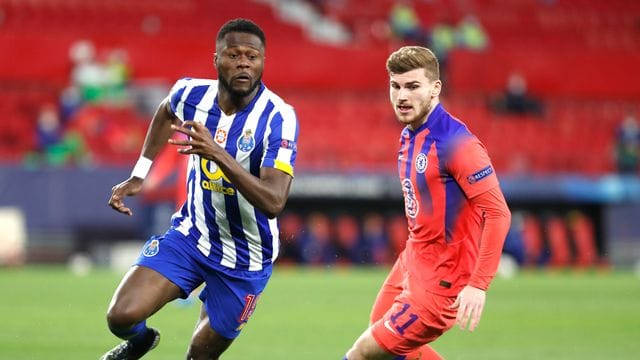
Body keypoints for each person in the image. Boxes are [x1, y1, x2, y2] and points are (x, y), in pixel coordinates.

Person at [101, 18, 299, 359]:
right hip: (191, 237)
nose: (243, 63)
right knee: (120, 317)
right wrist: (140, 173)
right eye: (233, 55)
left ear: (263, 61)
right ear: (216, 59)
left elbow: (274, 201)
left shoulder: (278, 117)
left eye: (252, 56)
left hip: (245, 260)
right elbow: (166, 110)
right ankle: (140, 341)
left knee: (199, 356)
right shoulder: (191, 94)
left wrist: (218, 155)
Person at [344, 46, 511, 360]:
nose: (402, 96)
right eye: (395, 86)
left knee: (363, 354)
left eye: (412, 86)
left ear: (435, 88)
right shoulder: (409, 134)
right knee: (386, 343)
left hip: (443, 280)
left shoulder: (458, 144)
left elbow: (499, 213)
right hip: (413, 259)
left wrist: (478, 285)